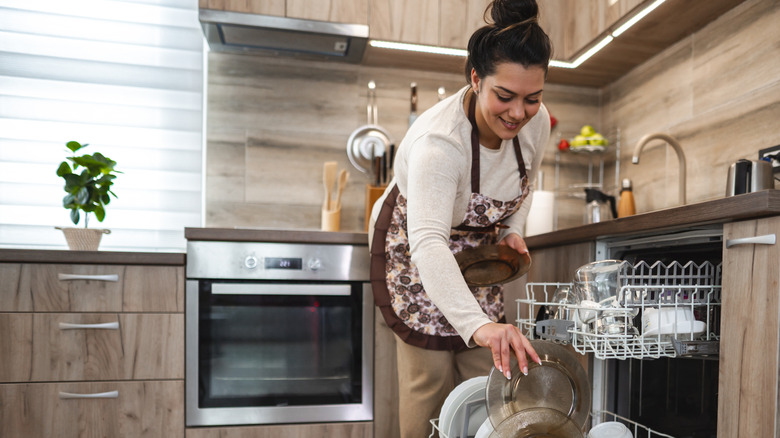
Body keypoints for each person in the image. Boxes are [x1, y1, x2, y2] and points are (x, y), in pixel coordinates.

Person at [368, 0, 552, 436]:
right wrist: (480, 325)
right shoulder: (440, 143)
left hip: (475, 252)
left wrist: (511, 229)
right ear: (475, 78)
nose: (517, 113)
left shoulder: (536, 121)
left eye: (532, 98)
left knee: (488, 378)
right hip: (416, 249)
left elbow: (527, 181)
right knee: (429, 385)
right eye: (503, 96)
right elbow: (429, 241)